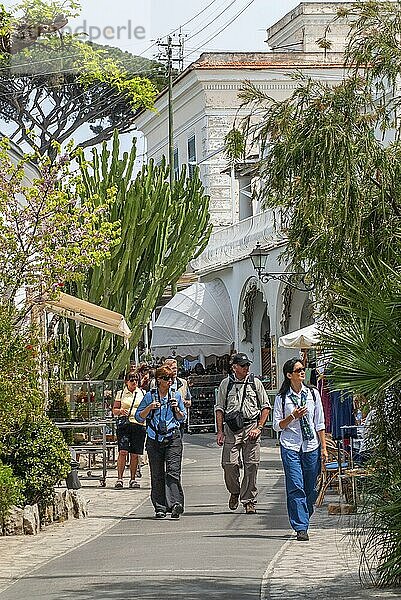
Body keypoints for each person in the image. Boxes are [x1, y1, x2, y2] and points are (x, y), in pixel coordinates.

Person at [273, 357, 328, 541]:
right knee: (296, 486)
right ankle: (301, 526)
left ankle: (304, 514)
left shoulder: (313, 394)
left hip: (311, 445)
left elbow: (319, 422)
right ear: (289, 375)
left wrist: (324, 448)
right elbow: (276, 426)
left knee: (310, 488)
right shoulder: (282, 398)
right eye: (298, 370)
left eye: (303, 369)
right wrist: (292, 417)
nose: (302, 372)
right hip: (290, 445)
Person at [215, 352, 271, 514]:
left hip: (251, 426)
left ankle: (248, 500)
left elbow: (265, 406)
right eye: (243, 365)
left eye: (247, 365)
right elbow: (219, 408)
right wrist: (220, 431)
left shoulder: (256, 383)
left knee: (252, 464)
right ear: (235, 367)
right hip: (231, 429)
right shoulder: (226, 384)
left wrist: (259, 427)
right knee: (229, 464)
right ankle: (235, 490)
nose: (247, 368)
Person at [135, 365, 187, 519]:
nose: (169, 381)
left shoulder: (175, 395)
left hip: (173, 437)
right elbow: (139, 417)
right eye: (166, 378)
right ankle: (160, 507)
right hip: (154, 439)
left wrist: (177, 409)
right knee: (157, 474)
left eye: (171, 378)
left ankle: (176, 504)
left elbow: (182, 417)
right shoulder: (150, 396)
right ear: (158, 380)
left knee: (173, 471)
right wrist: (150, 408)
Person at [112, 370, 145, 489]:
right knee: (123, 451)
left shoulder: (142, 393)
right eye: (131, 380)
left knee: (135, 454)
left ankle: (133, 479)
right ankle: (119, 478)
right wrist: (120, 411)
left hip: (138, 425)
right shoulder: (121, 394)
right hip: (124, 425)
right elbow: (114, 410)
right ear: (126, 381)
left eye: (136, 379)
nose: (134, 382)